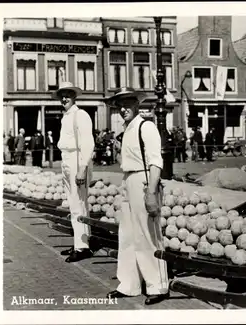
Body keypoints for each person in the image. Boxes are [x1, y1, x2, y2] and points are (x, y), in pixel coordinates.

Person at [104, 87, 169, 305]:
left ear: (137, 105)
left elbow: (155, 162)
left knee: (147, 234)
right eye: (120, 105)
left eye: (128, 104)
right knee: (128, 235)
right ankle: (129, 284)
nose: (123, 109)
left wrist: (151, 192)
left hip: (143, 181)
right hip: (128, 180)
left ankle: (158, 285)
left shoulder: (146, 126)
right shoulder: (127, 130)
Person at [53, 82, 95, 263]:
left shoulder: (81, 115)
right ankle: (81, 240)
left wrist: (82, 169)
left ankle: (82, 247)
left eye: (68, 95)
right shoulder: (66, 117)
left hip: (77, 160)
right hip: (67, 160)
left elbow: (88, 143)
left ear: (74, 96)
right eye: (62, 95)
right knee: (74, 204)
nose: (64, 99)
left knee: (78, 204)